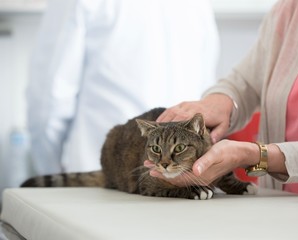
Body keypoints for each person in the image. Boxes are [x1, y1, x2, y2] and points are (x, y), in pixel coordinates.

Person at [146, 0, 298, 196]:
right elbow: (245, 81)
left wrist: (256, 156)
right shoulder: (294, 8)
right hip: (275, 205)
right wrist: (220, 101)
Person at [27, 0, 219, 175]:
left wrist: (49, 172)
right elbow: (205, 98)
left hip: (99, 178)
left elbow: (49, 101)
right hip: (180, 180)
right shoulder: (199, 5)